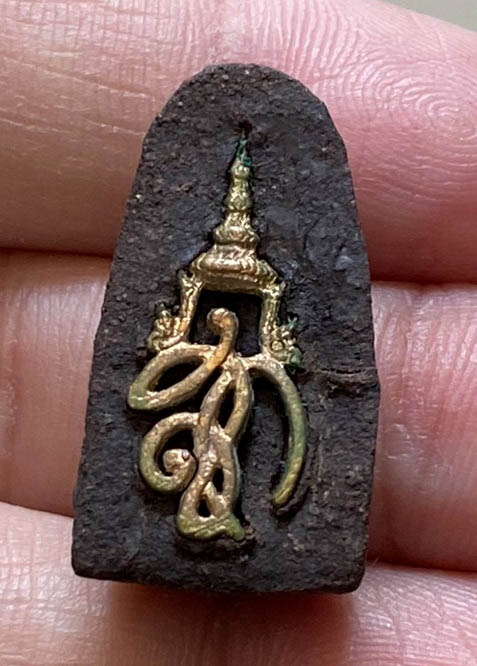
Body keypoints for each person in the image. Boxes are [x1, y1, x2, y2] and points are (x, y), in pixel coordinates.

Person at [1, 0, 476, 663]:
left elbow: (275, 428)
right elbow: (149, 395)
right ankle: (211, 506)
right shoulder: (220, 366)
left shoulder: (245, 369)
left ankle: (220, 508)